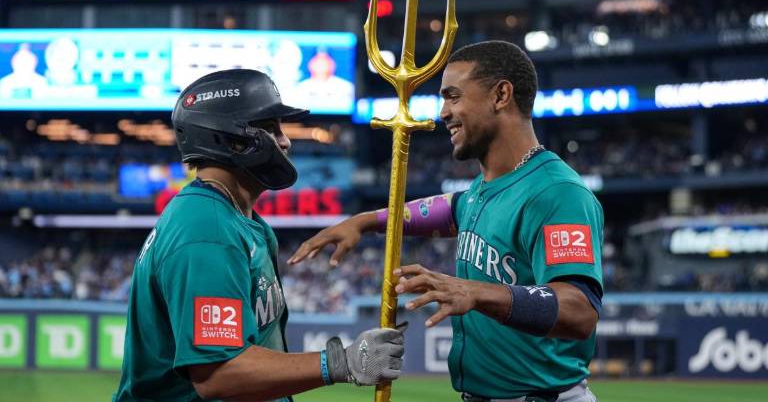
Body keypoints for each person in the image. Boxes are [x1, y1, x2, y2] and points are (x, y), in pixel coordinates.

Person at [289, 41, 603, 402]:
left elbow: (579, 310)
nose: (443, 112)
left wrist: (473, 291)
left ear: (501, 95)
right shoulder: (485, 189)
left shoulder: (556, 192)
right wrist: (366, 221)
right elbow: (447, 209)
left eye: (453, 97)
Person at [114, 69, 406, 402]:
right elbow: (219, 375)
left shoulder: (237, 218)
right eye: (269, 128)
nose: (285, 141)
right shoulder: (207, 230)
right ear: (227, 137)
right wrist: (343, 363)